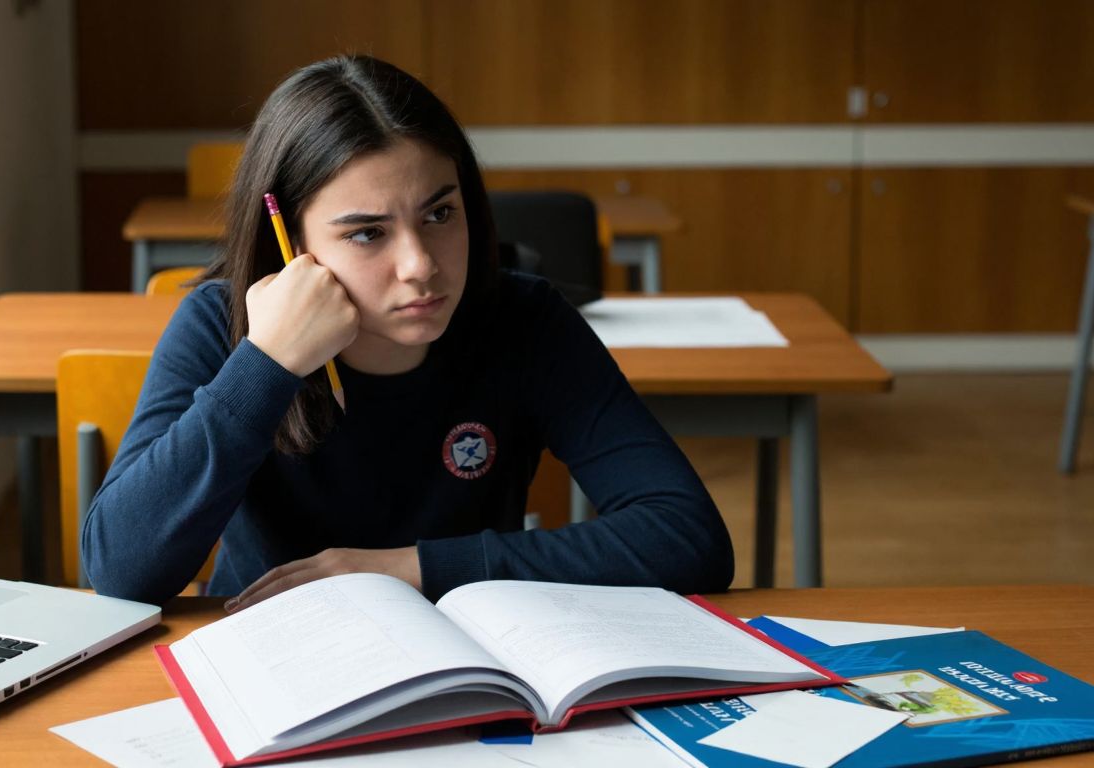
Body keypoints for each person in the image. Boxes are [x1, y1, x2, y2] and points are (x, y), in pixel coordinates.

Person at [82, 55, 733, 610]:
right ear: (291, 244)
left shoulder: (524, 320)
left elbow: (688, 537)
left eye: (440, 213)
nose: (421, 264)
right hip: (271, 656)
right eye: (367, 232)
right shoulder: (219, 326)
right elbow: (121, 574)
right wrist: (267, 361)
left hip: (469, 657)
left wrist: (411, 568)